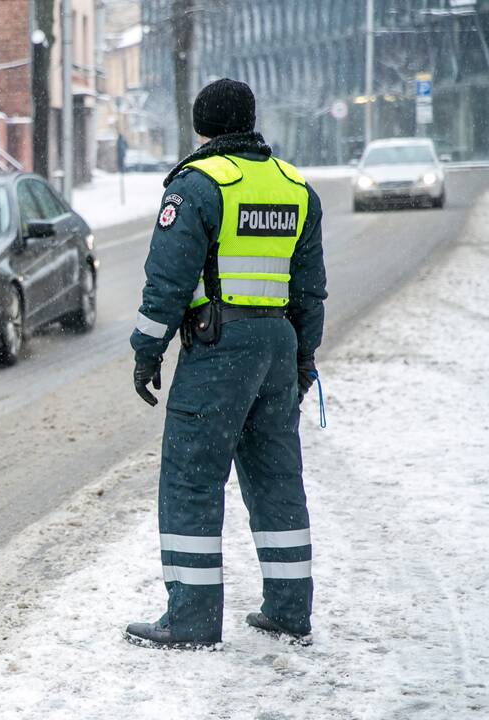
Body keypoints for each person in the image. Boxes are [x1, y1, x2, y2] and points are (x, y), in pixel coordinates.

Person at [123, 78, 327, 648]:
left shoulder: (198, 186)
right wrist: (303, 360)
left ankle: (190, 619)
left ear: (202, 124)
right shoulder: (294, 187)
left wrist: (147, 352)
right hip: (278, 349)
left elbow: (167, 282)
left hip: (219, 350)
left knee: (191, 478)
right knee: (276, 479)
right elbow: (310, 291)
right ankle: (289, 611)